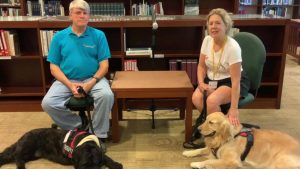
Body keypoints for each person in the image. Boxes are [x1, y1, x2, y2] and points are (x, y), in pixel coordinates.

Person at [41, 0, 114, 141]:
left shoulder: (99, 35)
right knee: (48, 103)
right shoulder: (59, 37)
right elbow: (53, 67)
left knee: (106, 95)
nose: (82, 16)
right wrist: (70, 85)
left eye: (85, 13)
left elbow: (104, 65)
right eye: (78, 12)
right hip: (66, 80)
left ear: (89, 16)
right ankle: (80, 125)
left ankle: (99, 134)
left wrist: (90, 84)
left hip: (93, 78)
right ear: (70, 15)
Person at [192, 8, 249, 127]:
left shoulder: (233, 47)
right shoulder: (207, 40)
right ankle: (220, 125)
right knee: (196, 98)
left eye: (218, 23)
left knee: (212, 101)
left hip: (231, 81)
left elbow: (236, 81)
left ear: (226, 25)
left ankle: (220, 132)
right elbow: (201, 66)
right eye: (211, 23)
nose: (213, 26)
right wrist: (201, 83)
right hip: (212, 79)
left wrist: (234, 109)